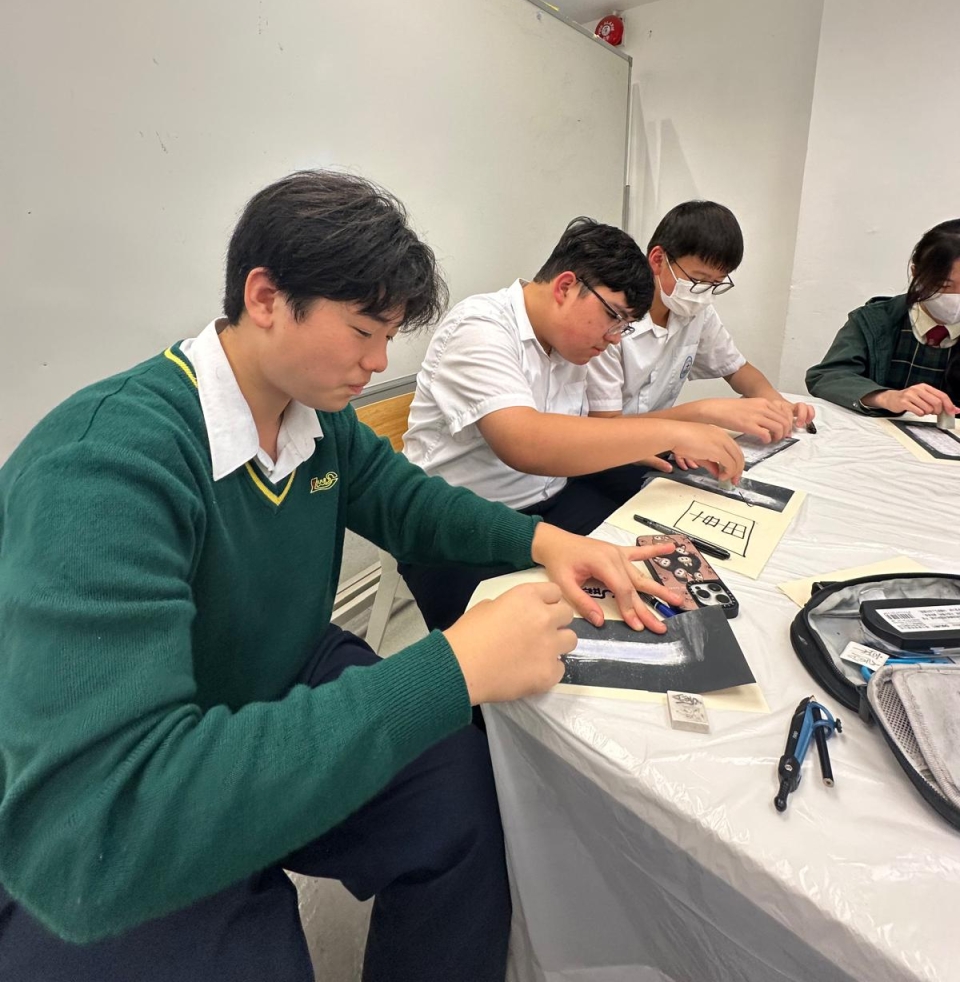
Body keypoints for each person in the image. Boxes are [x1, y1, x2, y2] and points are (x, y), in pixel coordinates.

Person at [0, 172, 685, 982]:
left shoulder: (316, 415)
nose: (378, 362)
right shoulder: (103, 465)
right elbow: (104, 826)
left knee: (467, 806)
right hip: (139, 791)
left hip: (279, 669)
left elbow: (408, 503)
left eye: (389, 335)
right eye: (363, 330)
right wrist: (455, 667)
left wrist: (546, 543)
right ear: (265, 297)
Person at [401, 216, 742, 629]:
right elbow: (526, 444)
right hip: (461, 523)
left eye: (625, 327)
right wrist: (679, 428)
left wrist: (647, 444)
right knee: (532, 644)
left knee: (653, 563)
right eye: (614, 318)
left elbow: (586, 430)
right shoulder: (480, 327)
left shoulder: (571, 342)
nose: (615, 338)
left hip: (550, 502)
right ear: (565, 287)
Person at [586, 201, 815, 462]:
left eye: (715, 284)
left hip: (656, 444)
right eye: (698, 280)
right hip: (602, 457)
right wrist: (702, 414)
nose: (703, 293)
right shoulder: (614, 320)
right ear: (658, 260)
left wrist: (776, 404)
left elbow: (737, 369)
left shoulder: (696, 312)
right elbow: (604, 428)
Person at [806, 218, 960, 417]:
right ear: (916, 273)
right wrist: (884, 397)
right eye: (943, 285)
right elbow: (827, 376)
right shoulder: (875, 321)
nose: (955, 296)